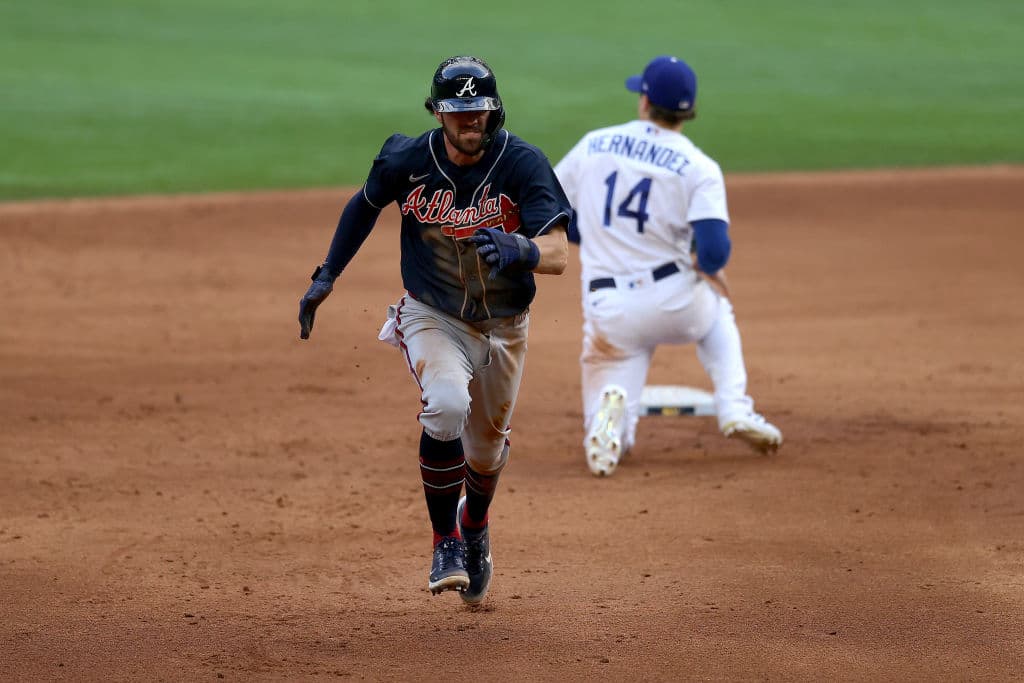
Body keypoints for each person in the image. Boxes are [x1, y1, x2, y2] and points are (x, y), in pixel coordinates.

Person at [297, 56, 571, 603]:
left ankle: (475, 528)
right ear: (438, 114)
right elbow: (364, 205)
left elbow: (560, 253)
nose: (470, 122)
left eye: (480, 112)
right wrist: (327, 274)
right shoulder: (407, 158)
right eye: (459, 112)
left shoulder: (522, 164)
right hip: (433, 314)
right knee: (446, 405)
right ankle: (445, 538)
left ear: (494, 111)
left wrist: (522, 247)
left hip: (504, 326)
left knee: (487, 452)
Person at [553, 55, 782, 477]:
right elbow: (714, 251)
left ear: (644, 102)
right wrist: (705, 264)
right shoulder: (700, 167)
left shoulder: (594, 144)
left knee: (613, 414)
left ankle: (612, 420)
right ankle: (734, 407)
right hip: (676, 302)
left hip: (609, 310)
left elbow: (548, 208)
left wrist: (593, 236)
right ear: (688, 112)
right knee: (718, 311)